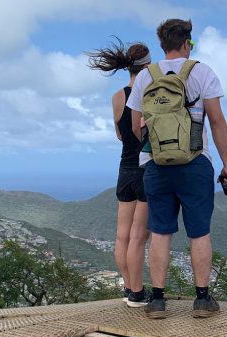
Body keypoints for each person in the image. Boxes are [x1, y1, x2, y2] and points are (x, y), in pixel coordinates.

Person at [126, 19, 227, 319]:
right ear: (187, 42)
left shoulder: (146, 76)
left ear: (162, 45)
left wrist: (157, 147)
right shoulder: (202, 72)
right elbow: (216, 121)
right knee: (199, 232)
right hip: (195, 161)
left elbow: (136, 126)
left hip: (156, 164)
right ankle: (202, 300)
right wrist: (226, 164)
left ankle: (158, 301)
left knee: (160, 232)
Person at [87, 39, 152, 307]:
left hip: (124, 168)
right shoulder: (149, 93)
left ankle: (128, 286)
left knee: (122, 234)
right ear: (147, 66)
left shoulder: (117, 96)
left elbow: (119, 133)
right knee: (139, 236)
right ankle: (137, 293)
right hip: (146, 167)